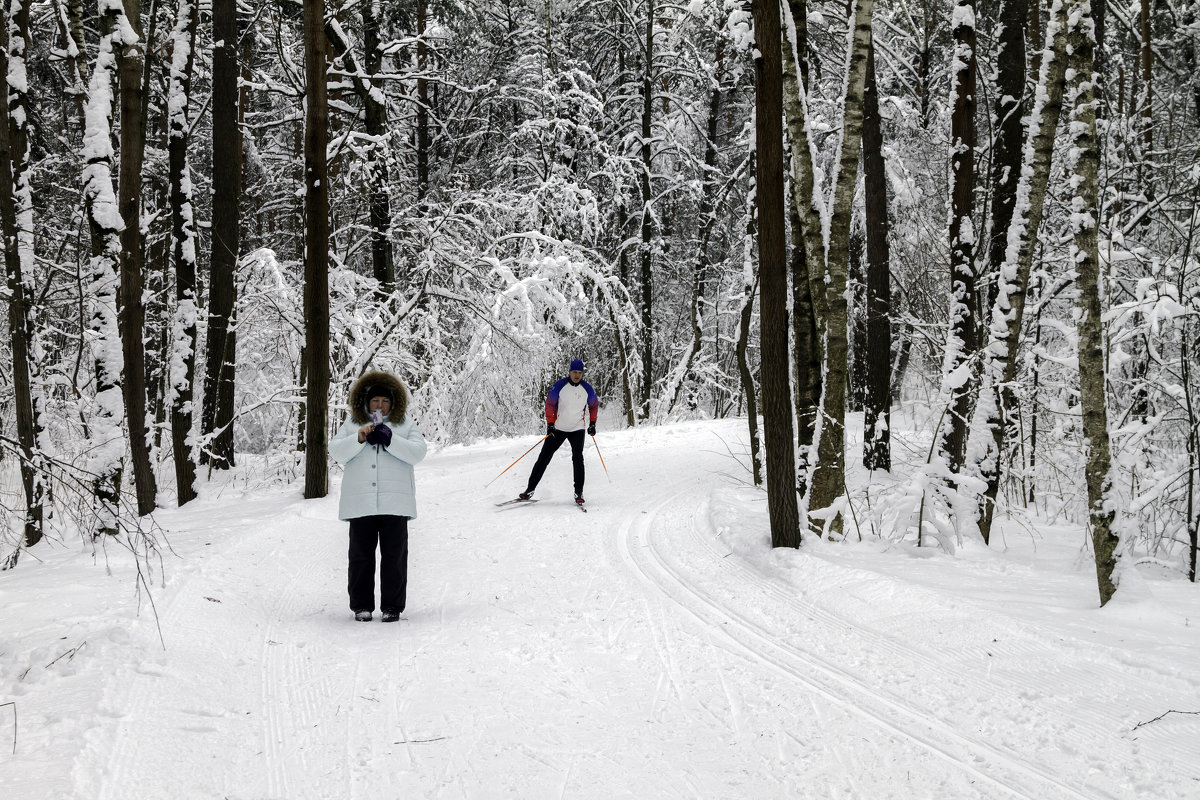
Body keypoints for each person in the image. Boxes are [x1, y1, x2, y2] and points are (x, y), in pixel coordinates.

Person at [330, 370, 427, 622]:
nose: (380, 405)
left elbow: (418, 452)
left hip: (395, 503)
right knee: (360, 557)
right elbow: (337, 451)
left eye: (385, 401)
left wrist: (391, 439)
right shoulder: (352, 424)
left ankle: (392, 606)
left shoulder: (404, 424)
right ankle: (361, 606)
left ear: (393, 402)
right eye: (376, 401)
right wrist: (359, 437)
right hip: (360, 503)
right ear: (366, 402)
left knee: (395, 557)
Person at [519, 359, 598, 505]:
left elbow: (594, 405)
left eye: (580, 373)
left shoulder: (587, 389)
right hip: (558, 428)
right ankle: (529, 490)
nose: (577, 375)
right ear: (569, 372)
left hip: (577, 428)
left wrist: (592, 423)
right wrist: (550, 423)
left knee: (578, 459)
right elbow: (550, 404)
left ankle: (578, 492)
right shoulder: (560, 385)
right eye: (574, 372)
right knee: (544, 458)